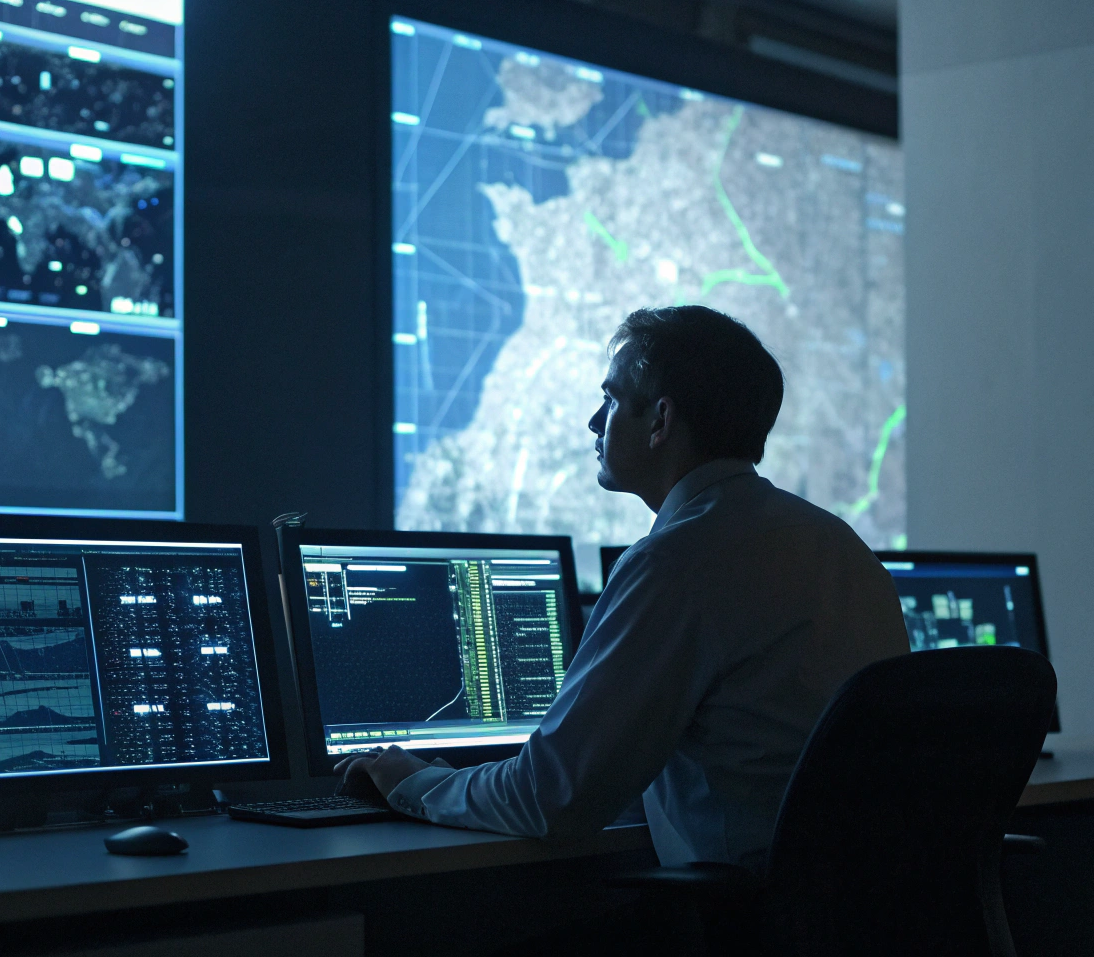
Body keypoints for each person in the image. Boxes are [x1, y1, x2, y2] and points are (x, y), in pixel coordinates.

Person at [337, 305, 906, 868]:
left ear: (660, 422)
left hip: (750, 922)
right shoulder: (840, 545)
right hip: (859, 914)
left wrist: (412, 781)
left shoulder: (677, 562)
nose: (593, 421)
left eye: (609, 399)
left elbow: (552, 798)